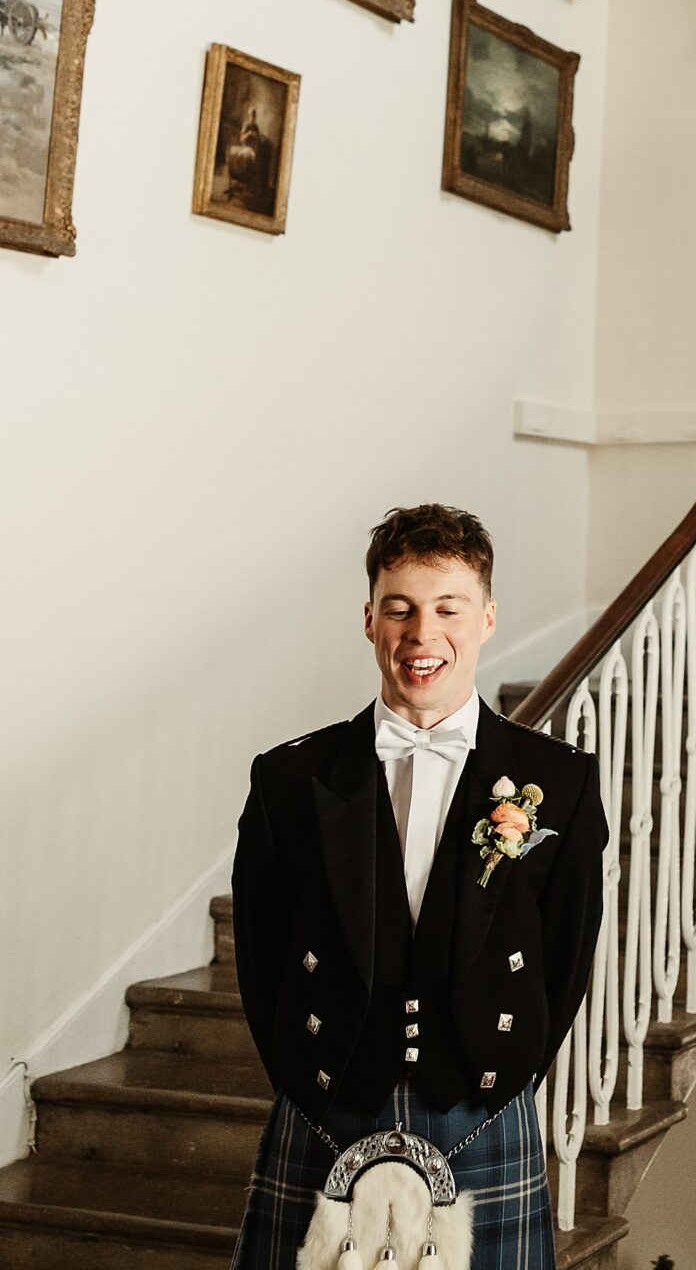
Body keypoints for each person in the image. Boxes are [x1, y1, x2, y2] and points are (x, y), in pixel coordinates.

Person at [229, 504, 606, 1266]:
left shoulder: (555, 783)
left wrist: (502, 1071)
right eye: (399, 609)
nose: (421, 633)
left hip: (477, 1100)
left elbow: (567, 955)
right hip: (330, 1097)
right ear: (369, 620)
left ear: (487, 618)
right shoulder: (290, 779)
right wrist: (307, 1077)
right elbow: (260, 952)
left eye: (447, 609)